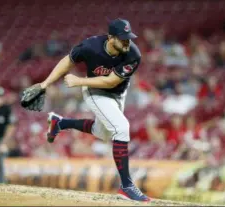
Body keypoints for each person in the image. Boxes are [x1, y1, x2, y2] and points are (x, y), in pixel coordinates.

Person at [33, 18, 150, 201]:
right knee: (121, 128)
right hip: (96, 93)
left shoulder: (133, 53)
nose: (127, 42)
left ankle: (60, 123)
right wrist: (45, 83)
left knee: (103, 133)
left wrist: (79, 81)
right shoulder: (90, 46)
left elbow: (111, 80)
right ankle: (126, 186)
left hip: (117, 92)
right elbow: (67, 61)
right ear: (111, 38)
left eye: (129, 37)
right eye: (122, 38)